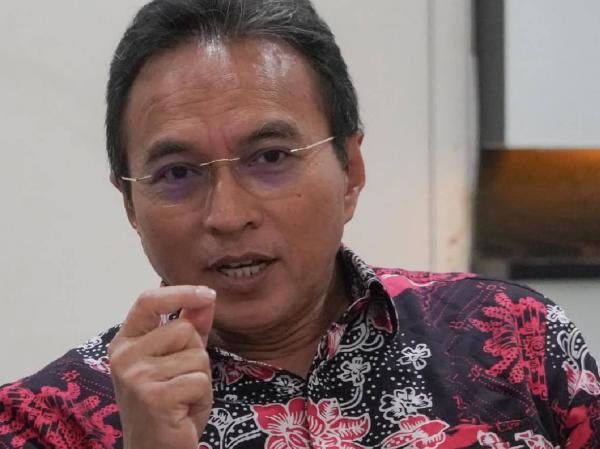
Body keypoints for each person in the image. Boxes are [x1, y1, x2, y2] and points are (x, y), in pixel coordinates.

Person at [1, 0, 599, 448]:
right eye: (178, 172)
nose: (228, 216)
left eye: (271, 158)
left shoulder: (515, 337)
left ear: (351, 170)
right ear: (131, 204)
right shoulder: (45, 422)